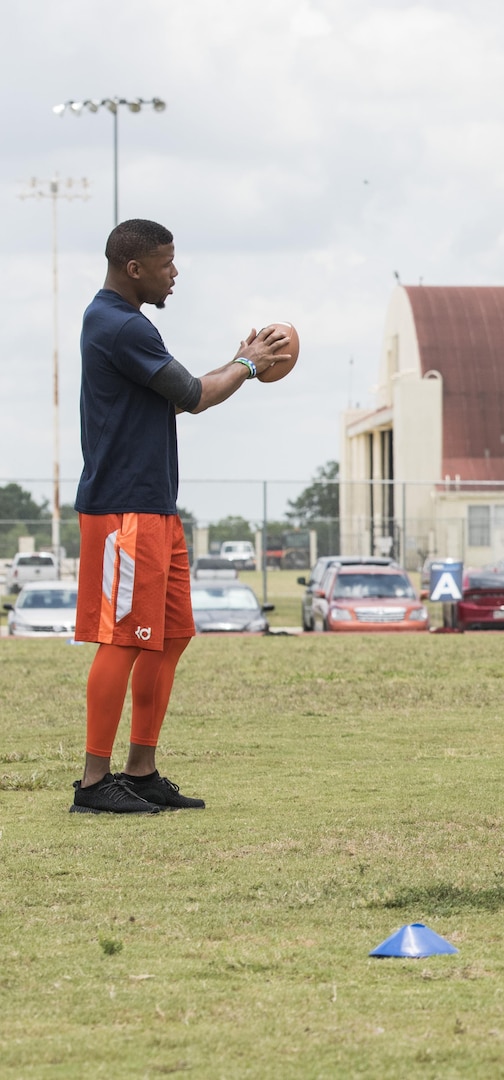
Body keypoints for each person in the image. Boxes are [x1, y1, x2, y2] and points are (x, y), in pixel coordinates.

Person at [70, 219, 291, 814]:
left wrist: (239, 363)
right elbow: (192, 395)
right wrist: (247, 364)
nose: (176, 273)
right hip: (124, 509)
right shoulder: (118, 324)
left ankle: (140, 771)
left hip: (154, 509)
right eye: (167, 264)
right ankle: (93, 785)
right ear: (134, 268)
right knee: (120, 641)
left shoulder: (130, 325)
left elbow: (184, 390)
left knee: (169, 637)